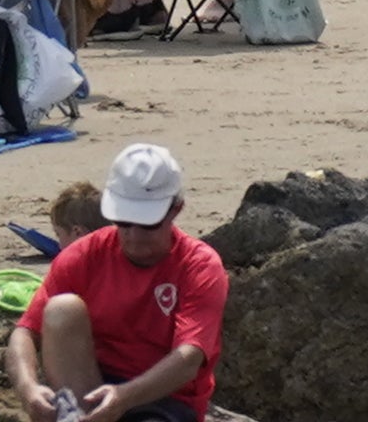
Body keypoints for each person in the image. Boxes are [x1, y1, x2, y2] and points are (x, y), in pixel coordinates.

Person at [13, 144, 230, 422]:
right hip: (92, 387)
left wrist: (124, 397)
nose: (134, 236)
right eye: (124, 222)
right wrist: (28, 388)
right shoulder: (86, 253)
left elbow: (189, 358)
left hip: (166, 400)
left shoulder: (198, 265)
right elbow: (25, 331)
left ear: (175, 210)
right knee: (60, 309)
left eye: (148, 224)